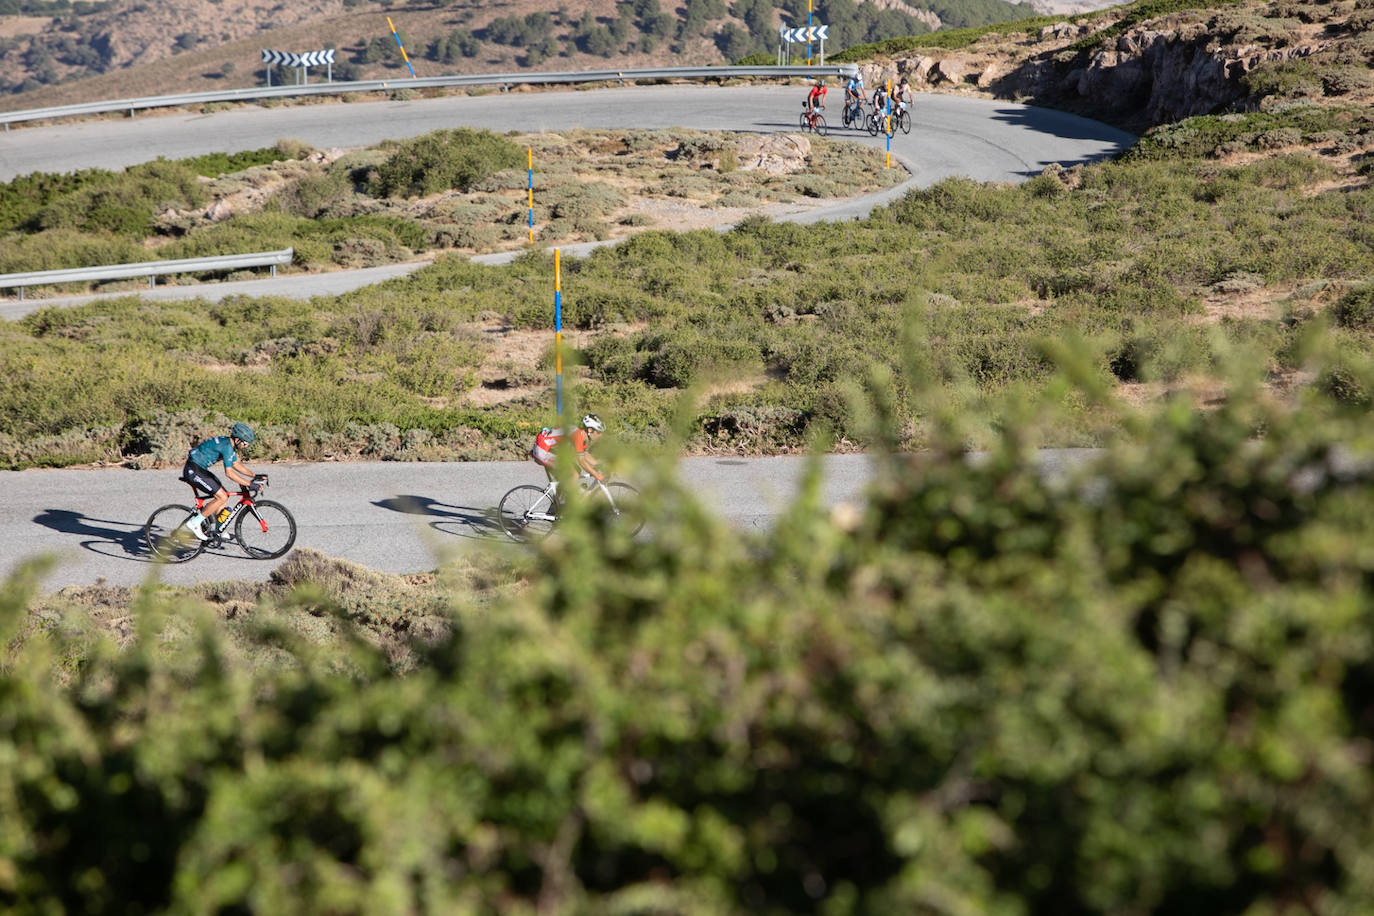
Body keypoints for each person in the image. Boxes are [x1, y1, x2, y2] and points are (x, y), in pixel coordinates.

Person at [180, 421, 265, 541]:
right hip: (193, 470)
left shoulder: (228, 444)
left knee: (223, 496)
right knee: (222, 497)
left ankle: (219, 531)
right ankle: (194, 523)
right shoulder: (227, 447)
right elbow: (229, 473)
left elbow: (235, 464)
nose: (246, 446)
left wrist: (254, 475)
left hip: (199, 468)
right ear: (237, 440)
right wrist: (250, 484)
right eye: (245, 443)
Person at [531, 414, 606, 492]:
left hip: (549, 449)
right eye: (599, 432)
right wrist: (597, 475)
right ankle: (565, 499)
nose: (601, 435)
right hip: (542, 450)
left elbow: (585, 455)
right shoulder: (578, 435)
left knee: (573, 473)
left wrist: (599, 465)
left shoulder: (582, 436)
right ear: (590, 430)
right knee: (573, 472)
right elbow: (582, 461)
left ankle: (562, 498)